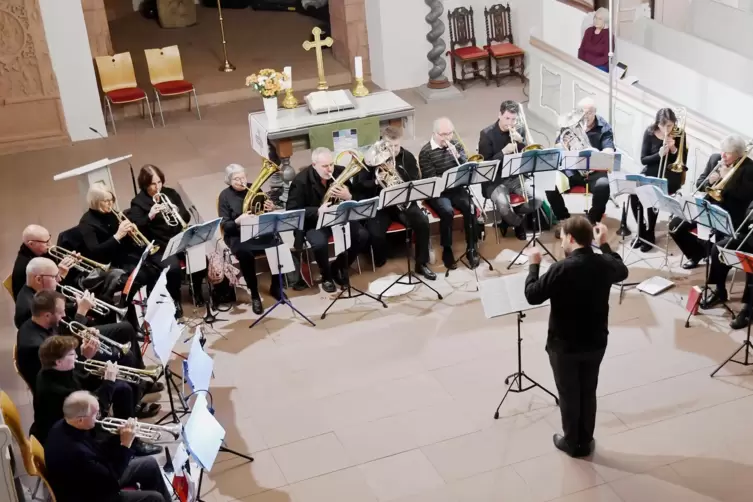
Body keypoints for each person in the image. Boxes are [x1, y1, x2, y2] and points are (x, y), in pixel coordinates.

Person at [524, 216, 628, 457]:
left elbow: (532, 295)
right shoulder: (604, 264)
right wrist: (603, 244)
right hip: (595, 341)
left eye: (562, 238)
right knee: (588, 390)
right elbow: (621, 270)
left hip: (565, 345)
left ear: (571, 238)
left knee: (569, 393)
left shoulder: (560, 269)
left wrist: (533, 265)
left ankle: (572, 443)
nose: (561, 243)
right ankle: (586, 439)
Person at [14, 257, 149, 374]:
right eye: (55, 277)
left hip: (69, 336)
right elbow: (60, 342)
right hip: (67, 352)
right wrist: (81, 313)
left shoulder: (40, 292)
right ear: (38, 279)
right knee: (123, 355)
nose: (59, 279)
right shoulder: (28, 310)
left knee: (125, 327)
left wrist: (78, 305)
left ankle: (141, 372)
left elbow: (62, 316)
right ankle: (136, 389)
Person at [32, 336, 161, 455]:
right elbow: (97, 409)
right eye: (72, 354)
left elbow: (82, 381)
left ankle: (134, 438)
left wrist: (102, 373)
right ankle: (128, 445)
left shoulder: (56, 370)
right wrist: (108, 381)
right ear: (58, 362)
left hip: (80, 413)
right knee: (113, 391)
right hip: (75, 433)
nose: (77, 356)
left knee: (123, 388)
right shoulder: (56, 390)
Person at [44, 391, 172, 501]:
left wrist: (117, 437)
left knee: (149, 464)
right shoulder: (77, 453)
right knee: (155, 498)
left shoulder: (64, 424)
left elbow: (99, 452)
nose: (99, 417)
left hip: (92, 479)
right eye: (96, 414)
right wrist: (125, 445)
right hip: (92, 495)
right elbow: (112, 480)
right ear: (80, 420)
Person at [355, 127, 436, 279]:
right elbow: (359, 185)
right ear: (382, 143)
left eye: (396, 146)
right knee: (375, 233)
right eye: (389, 146)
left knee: (422, 222)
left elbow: (415, 181)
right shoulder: (371, 159)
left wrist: (397, 177)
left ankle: (421, 264)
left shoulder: (408, 157)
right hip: (382, 206)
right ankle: (381, 262)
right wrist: (377, 181)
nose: (393, 150)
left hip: (404, 202)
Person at [287, 147, 369, 293]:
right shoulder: (300, 181)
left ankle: (339, 267)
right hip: (314, 223)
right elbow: (292, 211)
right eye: (325, 166)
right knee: (319, 243)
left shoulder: (339, 172)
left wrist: (348, 196)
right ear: (314, 165)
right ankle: (326, 276)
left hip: (339, 217)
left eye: (331, 164)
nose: (329, 169)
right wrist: (317, 211)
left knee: (362, 235)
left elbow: (356, 197)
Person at [128, 164, 206, 314]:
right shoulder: (138, 202)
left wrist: (177, 211)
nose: (157, 187)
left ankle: (195, 289)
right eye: (153, 184)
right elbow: (137, 228)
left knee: (200, 258)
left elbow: (186, 216)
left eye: (159, 182)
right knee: (173, 269)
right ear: (145, 184)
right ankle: (175, 299)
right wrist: (149, 215)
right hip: (159, 244)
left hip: (179, 237)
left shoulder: (170, 193)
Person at [78, 185, 168, 312]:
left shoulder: (112, 214)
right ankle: (130, 309)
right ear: (96, 202)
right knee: (140, 277)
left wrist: (131, 230)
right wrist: (117, 236)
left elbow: (125, 241)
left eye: (112, 199)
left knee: (155, 270)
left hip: (124, 255)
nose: (111, 204)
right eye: (106, 201)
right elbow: (95, 252)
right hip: (108, 263)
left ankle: (155, 308)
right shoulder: (87, 223)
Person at [669, 136, 753, 269]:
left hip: (730, 214)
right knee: (675, 226)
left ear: (738, 154)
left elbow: (745, 197)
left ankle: (714, 267)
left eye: (728, 153)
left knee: (719, 243)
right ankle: (696, 254)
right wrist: (709, 182)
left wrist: (727, 179)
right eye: (722, 150)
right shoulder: (715, 159)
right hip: (706, 207)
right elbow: (699, 183)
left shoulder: (749, 168)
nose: (723, 155)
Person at [218, 163, 283, 314]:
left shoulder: (254, 188)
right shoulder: (225, 196)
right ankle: (254, 294)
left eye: (243, 177)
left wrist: (270, 208)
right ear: (229, 181)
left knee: (277, 244)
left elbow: (262, 211)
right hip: (237, 234)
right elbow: (225, 225)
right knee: (245, 254)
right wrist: (238, 221)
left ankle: (276, 286)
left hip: (257, 229)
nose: (241, 182)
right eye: (236, 179)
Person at [478, 100, 543, 241]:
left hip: (516, 176)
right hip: (495, 180)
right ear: (499, 115)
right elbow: (486, 165)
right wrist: (503, 152)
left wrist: (521, 142)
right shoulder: (486, 134)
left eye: (513, 119)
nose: (510, 123)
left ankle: (511, 218)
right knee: (503, 204)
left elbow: (529, 154)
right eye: (507, 118)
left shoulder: (518, 130)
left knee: (537, 199)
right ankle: (518, 223)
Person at [547, 98, 615, 232]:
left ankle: (592, 219)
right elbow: (558, 147)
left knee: (604, 186)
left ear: (595, 112)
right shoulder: (569, 124)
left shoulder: (604, 127)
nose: (586, 116)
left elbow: (609, 150)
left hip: (595, 170)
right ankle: (563, 219)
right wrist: (563, 146)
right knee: (549, 184)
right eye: (583, 113)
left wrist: (602, 153)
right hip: (572, 170)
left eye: (590, 113)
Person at [420, 117, 479, 269]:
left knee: (470, 207)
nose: (447, 138)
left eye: (450, 134)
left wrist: (459, 156)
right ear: (434, 133)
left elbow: (468, 168)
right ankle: (447, 248)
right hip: (438, 192)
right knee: (447, 212)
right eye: (443, 134)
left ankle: (472, 247)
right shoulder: (426, 152)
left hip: (457, 188)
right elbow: (430, 178)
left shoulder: (456, 145)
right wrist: (447, 179)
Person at [16, 290, 99, 391]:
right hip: (64, 389)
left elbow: (62, 337)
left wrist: (83, 333)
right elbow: (68, 375)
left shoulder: (40, 322)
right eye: (61, 312)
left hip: (67, 371)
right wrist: (85, 356)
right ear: (47, 316)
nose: (64, 315)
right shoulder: (37, 347)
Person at [630, 108, 688, 252]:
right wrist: (659, 154)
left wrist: (674, 148)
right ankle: (641, 231)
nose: (667, 129)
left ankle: (650, 234)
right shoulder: (649, 133)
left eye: (670, 125)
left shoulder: (680, 134)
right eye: (664, 126)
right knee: (633, 195)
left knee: (652, 194)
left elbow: (683, 162)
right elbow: (644, 160)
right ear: (658, 124)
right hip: (651, 169)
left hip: (671, 175)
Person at [699, 200, 753, 323]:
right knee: (718, 249)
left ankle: (750, 307)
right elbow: (750, 209)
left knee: (751, 263)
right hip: (750, 237)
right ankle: (720, 290)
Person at [10, 224, 78, 301]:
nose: (50, 244)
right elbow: (44, 298)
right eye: (46, 242)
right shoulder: (24, 268)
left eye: (49, 239)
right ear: (31, 244)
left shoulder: (44, 251)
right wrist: (60, 275)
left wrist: (71, 262)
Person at [578, 7, 610, 72]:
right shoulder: (588, 31)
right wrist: (582, 62)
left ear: (605, 21)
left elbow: (606, 57)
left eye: (600, 19)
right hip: (585, 64)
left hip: (599, 66)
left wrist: (591, 64)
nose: (596, 20)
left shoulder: (608, 36)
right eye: (595, 17)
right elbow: (581, 49)